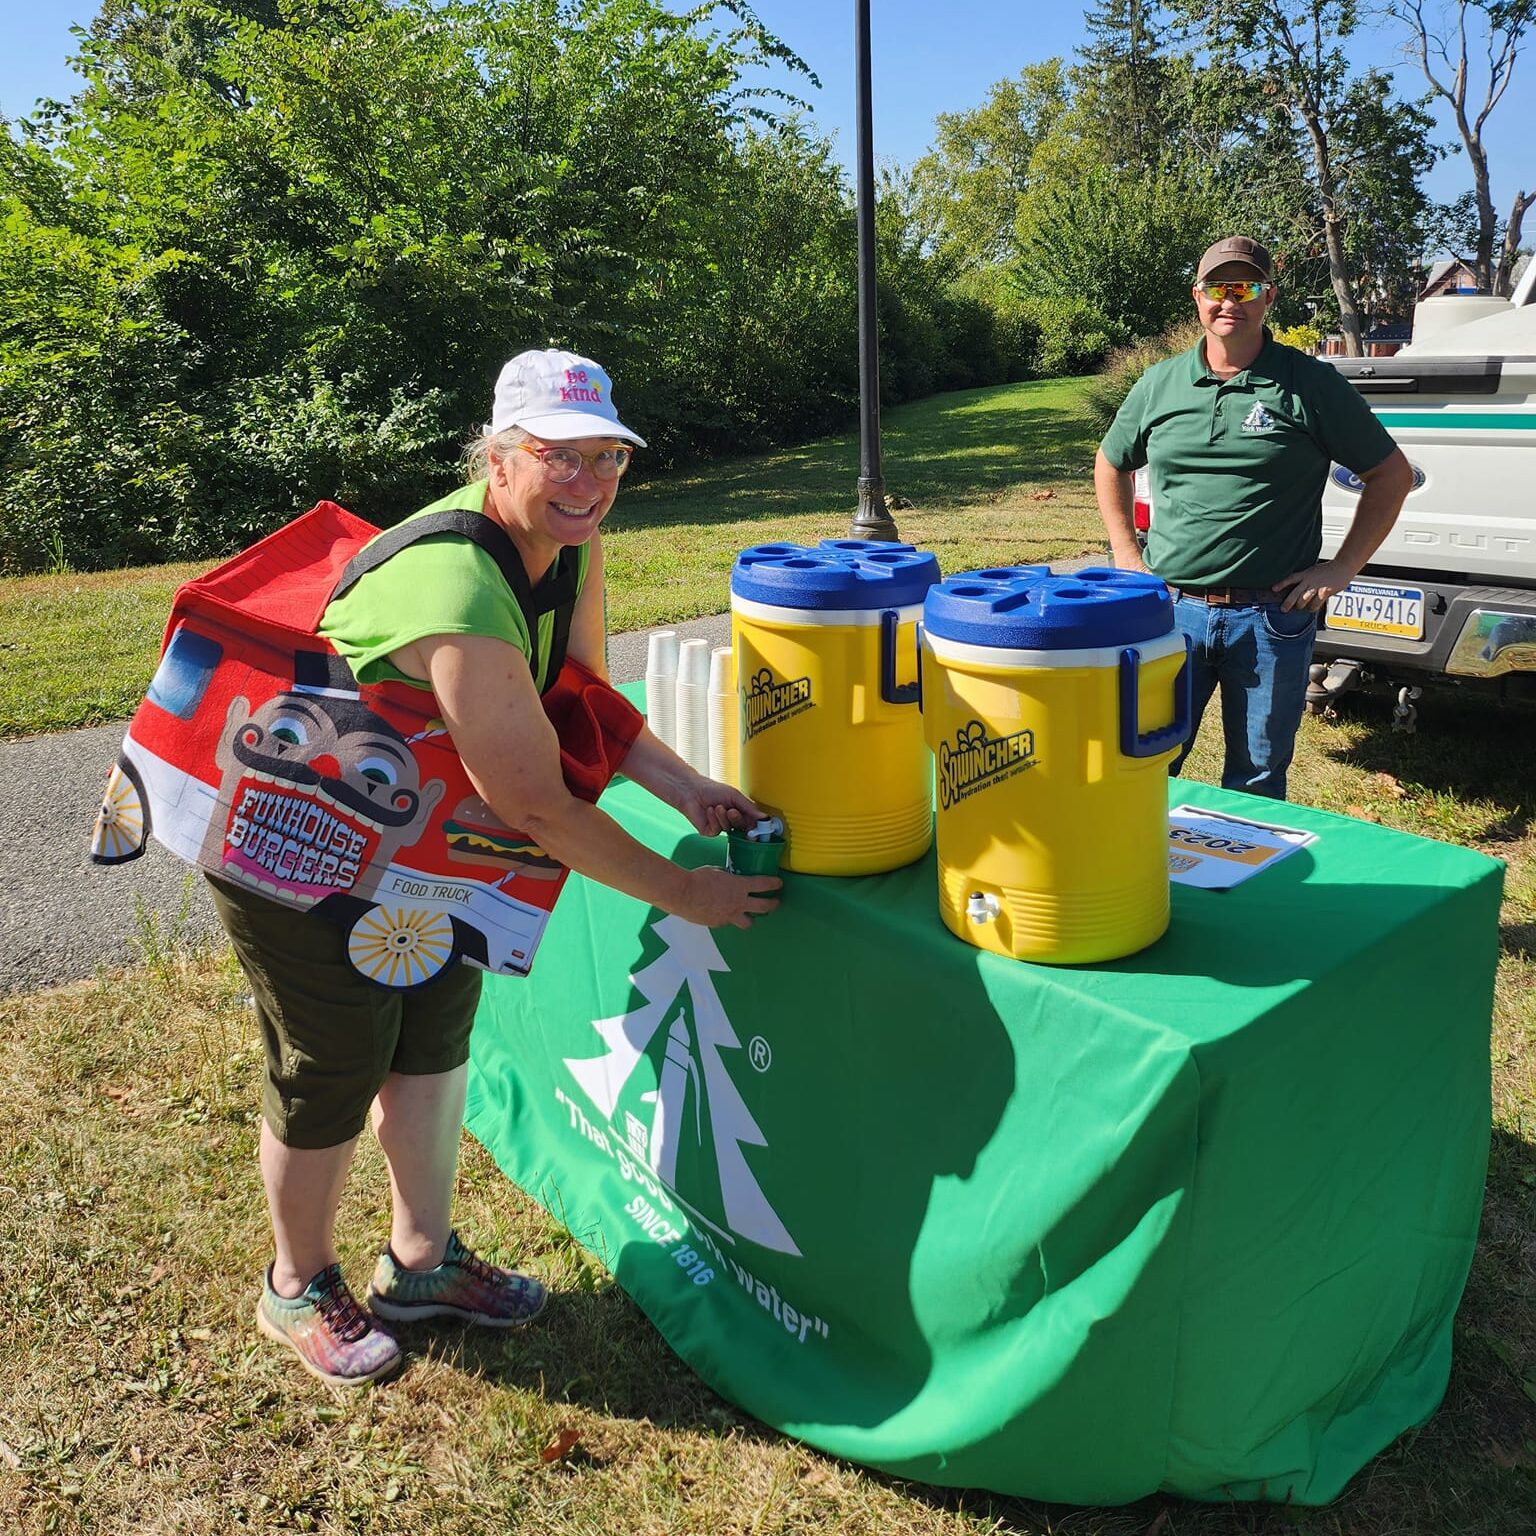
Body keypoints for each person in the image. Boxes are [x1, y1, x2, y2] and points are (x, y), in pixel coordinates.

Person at [207, 348, 780, 1386]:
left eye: (607, 456)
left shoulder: (568, 545)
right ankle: (296, 1283)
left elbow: (577, 700)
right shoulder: (462, 585)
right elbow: (531, 804)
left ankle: (420, 1263)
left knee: (430, 1036)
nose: (589, 480)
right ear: (499, 455)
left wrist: (685, 787)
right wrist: (687, 891)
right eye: (559, 456)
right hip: (298, 833)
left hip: (416, 841)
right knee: (335, 1059)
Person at [1095, 236, 1414, 798]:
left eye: (1246, 288)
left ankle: (1245, 884)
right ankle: (1140, 881)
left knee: (1258, 777)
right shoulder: (1159, 384)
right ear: (1197, 296)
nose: (1230, 302)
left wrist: (1340, 570)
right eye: (1219, 288)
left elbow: (1390, 475)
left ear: (1269, 297)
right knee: (1142, 766)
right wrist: (1127, 554)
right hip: (1170, 613)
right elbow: (1110, 462)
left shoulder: (1311, 385)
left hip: (1272, 618)